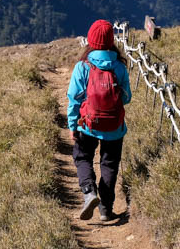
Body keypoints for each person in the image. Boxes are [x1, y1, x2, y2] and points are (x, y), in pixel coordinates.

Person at [67, 19, 132, 222]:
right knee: (110, 165)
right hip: (114, 127)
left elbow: (74, 99)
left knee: (82, 156)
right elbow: (127, 98)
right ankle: (106, 209)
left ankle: (89, 192)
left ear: (91, 41)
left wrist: (72, 125)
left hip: (88, 125)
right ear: (112, 41)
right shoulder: (119, 67)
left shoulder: (83, 66)